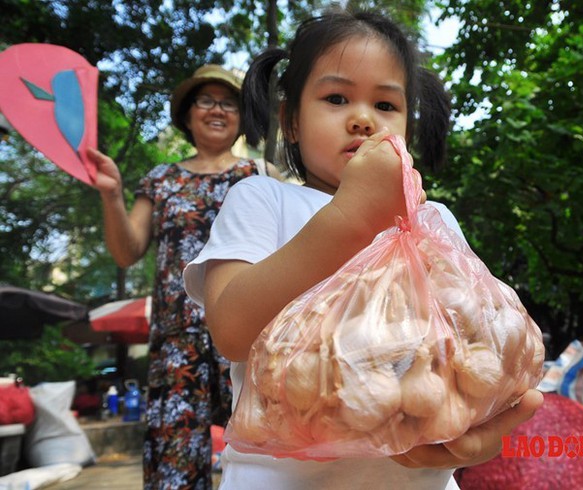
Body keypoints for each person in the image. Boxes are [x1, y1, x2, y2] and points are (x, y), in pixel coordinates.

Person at [183, 10, 542, 490]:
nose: (363, 119)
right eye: (336, 98)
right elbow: (230, 330)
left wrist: (479, 433)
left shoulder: (433, 221)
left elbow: (472, 348)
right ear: (290, 121)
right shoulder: (262, 198)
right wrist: (351, 218)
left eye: (387, 106)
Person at [88, 64, 280, 489]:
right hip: (177, 341)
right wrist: (111, 193)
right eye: (206, 100)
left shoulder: (261, 177)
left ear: (241, 116)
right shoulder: (162, 179)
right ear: (188, 113)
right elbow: (126, 250)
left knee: (266, 452)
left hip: (247, 332)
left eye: (228, 102)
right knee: (176, 464)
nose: (217, 110)